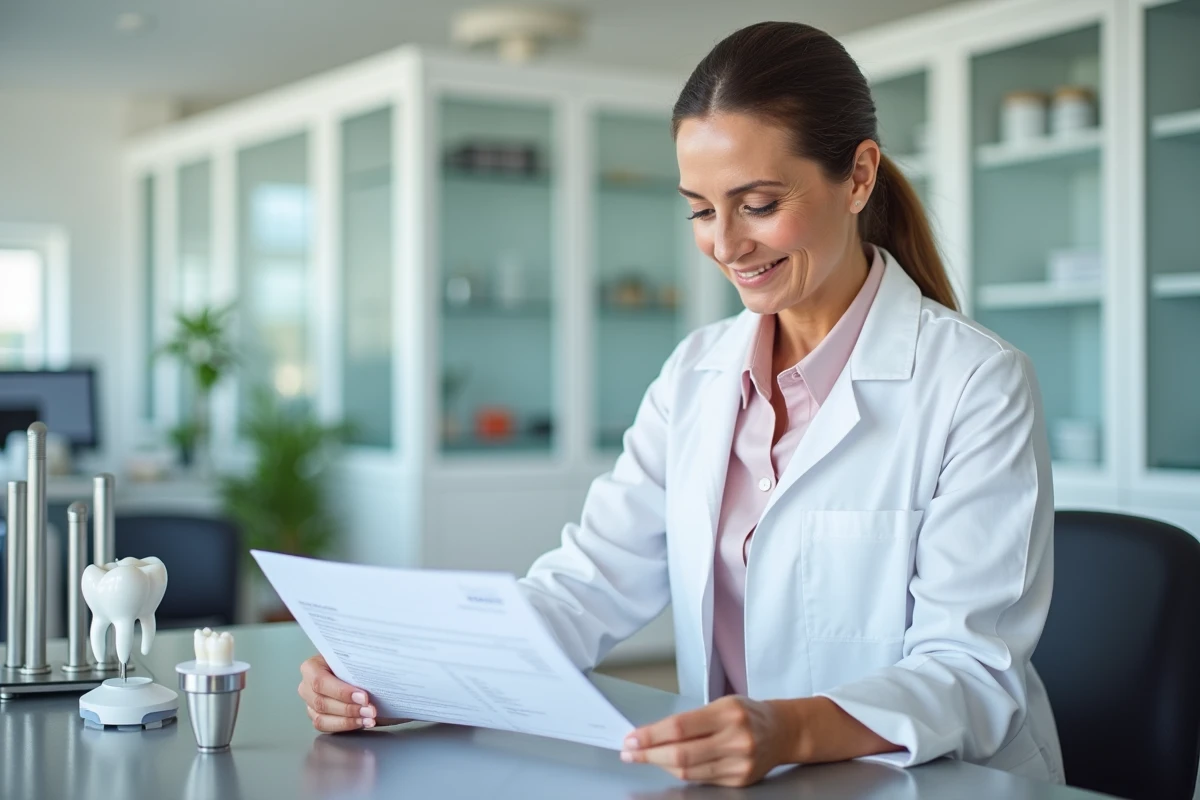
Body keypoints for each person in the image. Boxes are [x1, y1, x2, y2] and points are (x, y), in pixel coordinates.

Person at [298, 20, 1064, 788]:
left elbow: (971, 670)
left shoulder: (976, 383)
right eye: (700, 210)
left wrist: (787, 728)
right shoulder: (696, 373)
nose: (725, 245)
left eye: (758, 204)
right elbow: (588, 584)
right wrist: (404, 679)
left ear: (858, 177)